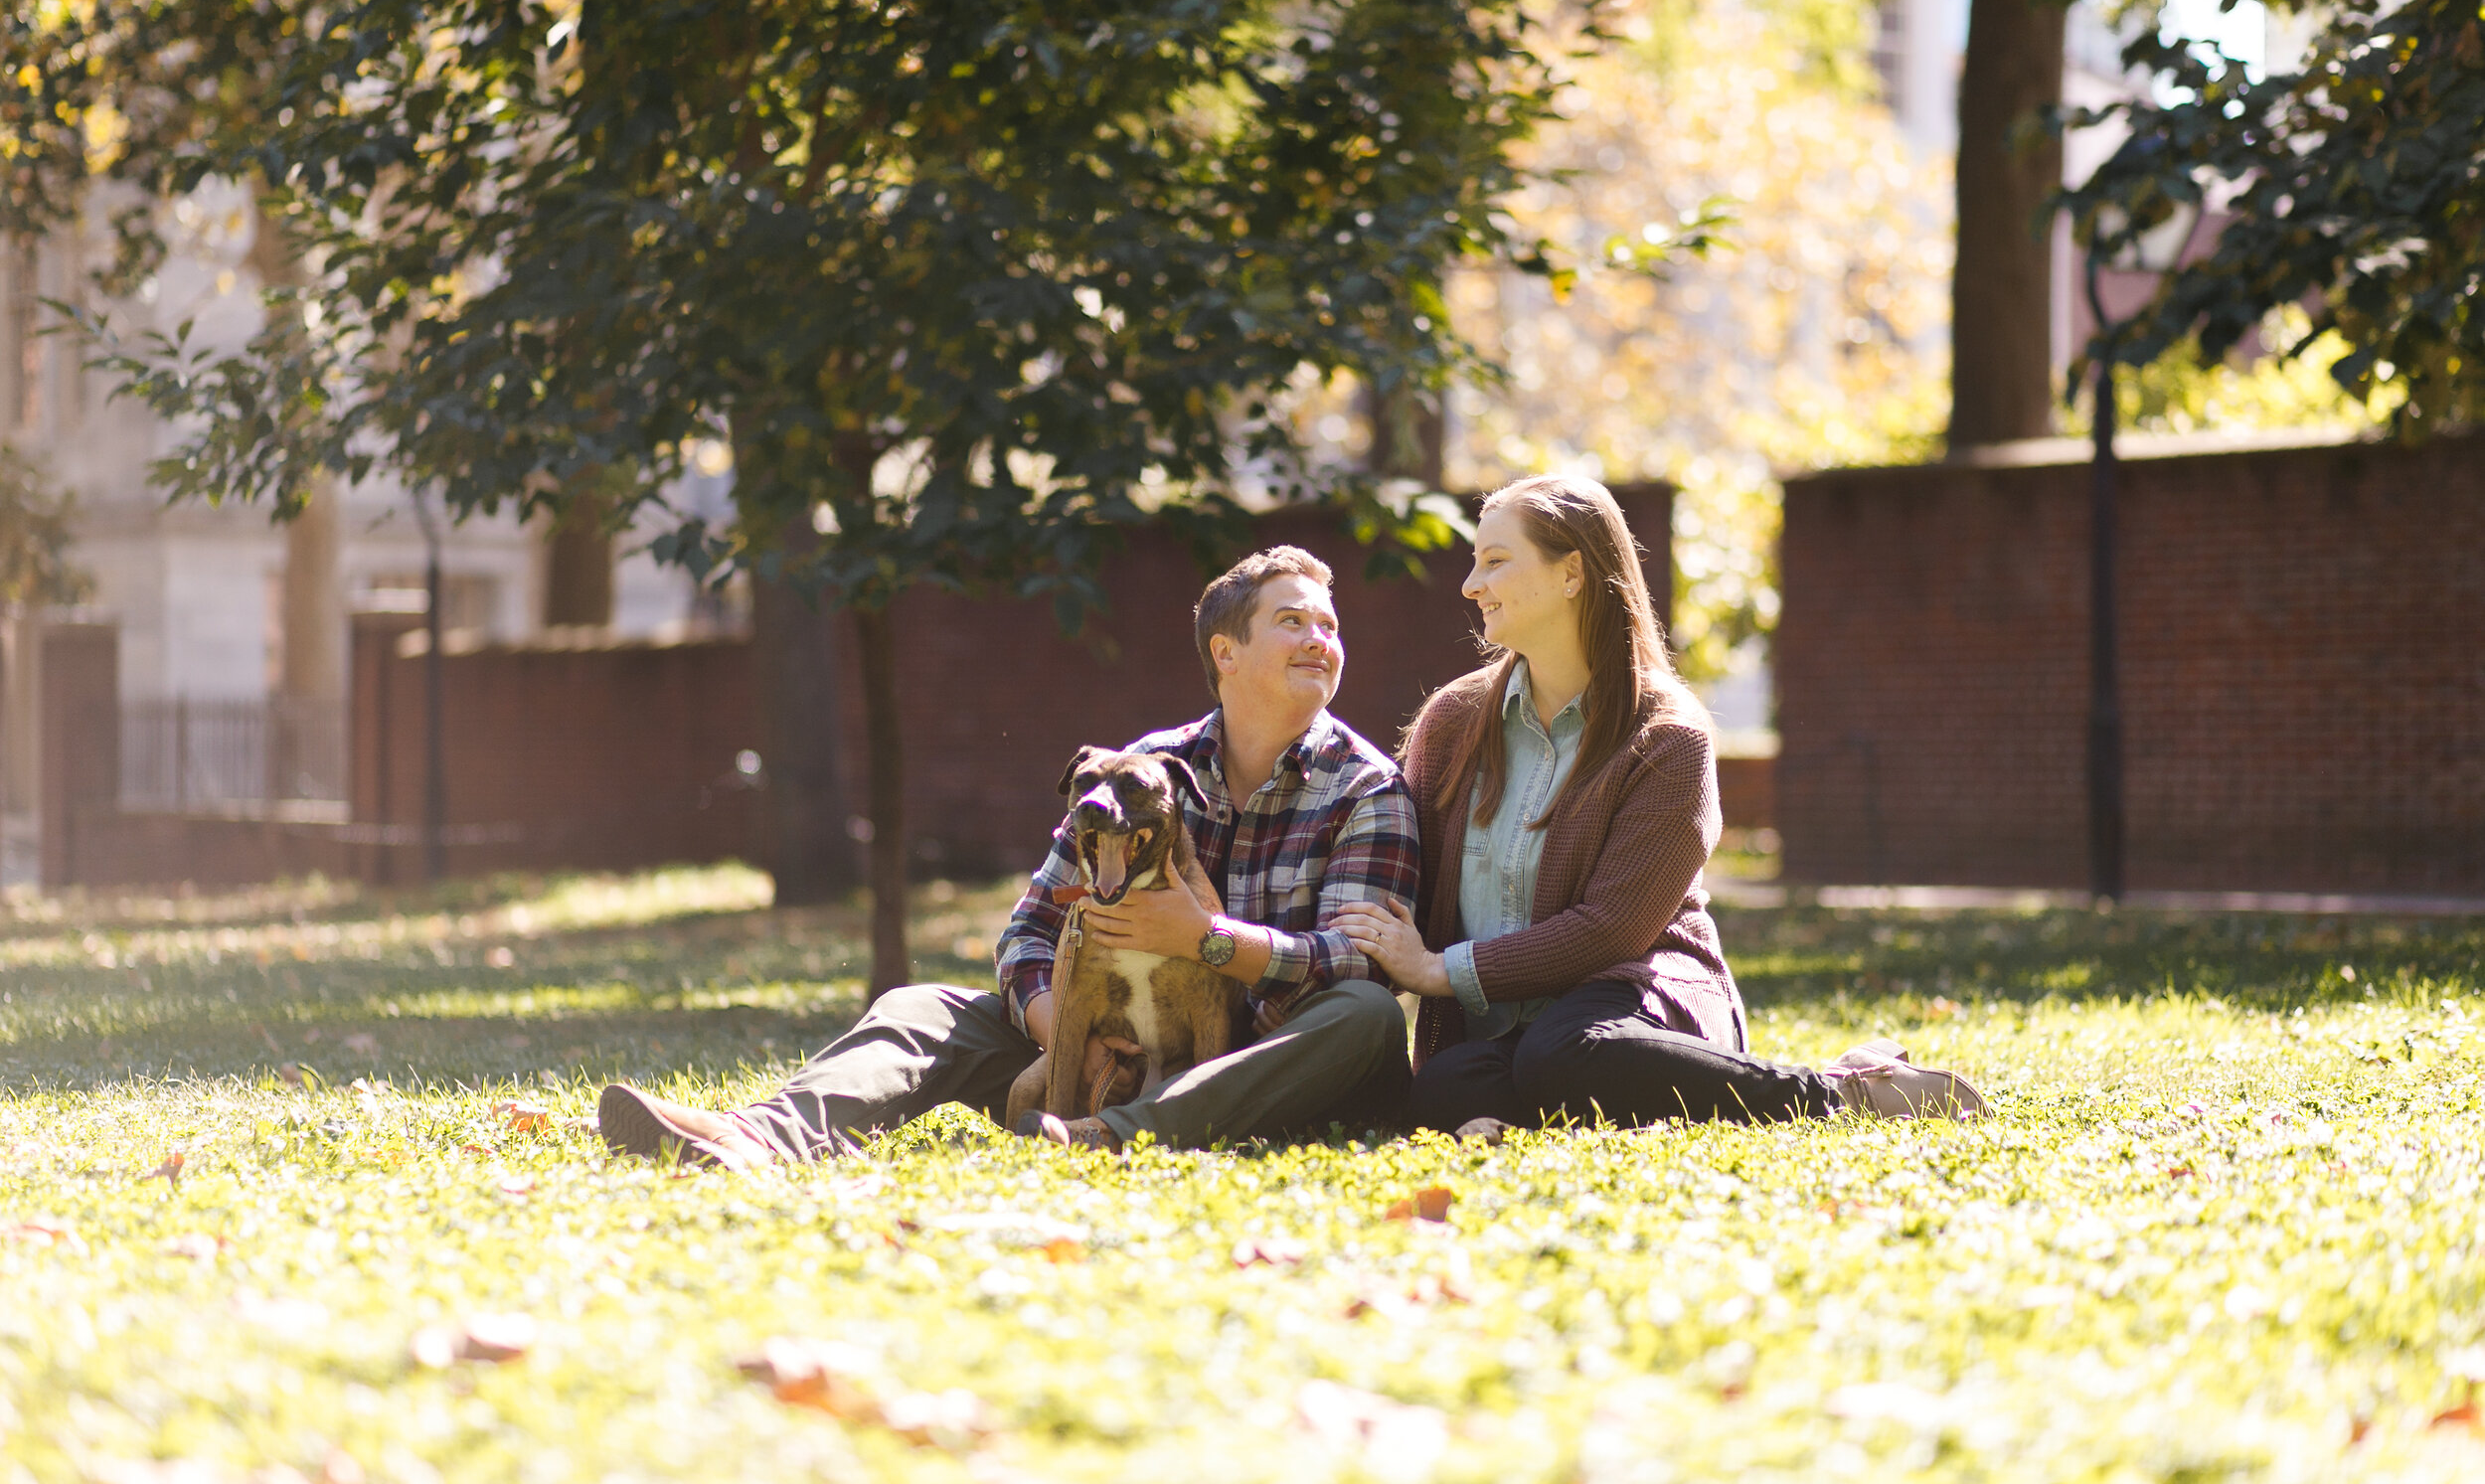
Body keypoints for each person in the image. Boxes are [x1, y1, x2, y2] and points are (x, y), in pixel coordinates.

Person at [596, 546, 1420, 1166]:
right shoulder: (1139, 774)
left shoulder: (1366, 790)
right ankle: (758, 1138)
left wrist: (1203, 938)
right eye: (1293, 621)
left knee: (1366, 1020)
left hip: (1254, 1064)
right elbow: (1026, 936)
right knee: (923, 1007)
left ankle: (1109, 1138)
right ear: (1225, 653)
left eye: (1329, 625)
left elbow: (1357, 969)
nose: (1320, 640)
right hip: (1107, 1053)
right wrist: (1068, 1035)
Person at [1334, 474, 1987, 1133]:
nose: (1472, 585)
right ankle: (1599, 1103)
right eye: (1476, 563)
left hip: (1640, 997)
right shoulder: (1452, 721)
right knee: (1445, 1085)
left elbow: (1609, 929)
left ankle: (1840, 1092)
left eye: (1496, 561)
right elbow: (1406, 888)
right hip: (1509, 1035)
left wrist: (1438, 970)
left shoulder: (1669, 738)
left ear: (1572, 572)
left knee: (1565, 1052)